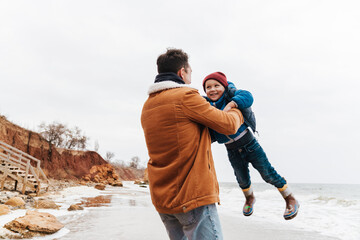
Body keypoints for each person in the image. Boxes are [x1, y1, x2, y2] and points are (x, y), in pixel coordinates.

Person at [141, 49, 244, 240]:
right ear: (182, 72)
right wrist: (237, 109)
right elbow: (229, 125)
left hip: (163, 197)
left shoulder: (148, 105)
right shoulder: (185, 97)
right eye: (190, 73)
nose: (190, 78)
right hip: (191, 196)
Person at [202, 71, 300, 220]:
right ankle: (249, 198)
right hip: (231, 149)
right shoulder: (206, 105)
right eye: (208, 87)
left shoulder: (232, 94)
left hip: (250, 144)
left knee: (268, 174)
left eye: (217, 85)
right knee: (241, 178)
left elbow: (248, 96)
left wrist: (232, 104)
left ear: (225, 86)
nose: (213, 89)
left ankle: (290, 198)